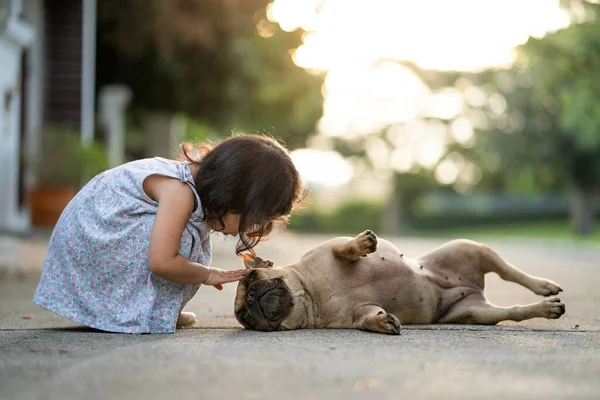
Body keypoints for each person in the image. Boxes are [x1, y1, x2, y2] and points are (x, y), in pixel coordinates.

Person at [34, 134, 306, 333]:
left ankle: (152, 310)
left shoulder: (191, 188)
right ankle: (132, 312)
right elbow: (161, 262)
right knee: (182, 249)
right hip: (96, 238)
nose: (248, 229)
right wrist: (209, 274)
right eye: (254, 218)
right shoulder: (180, 191)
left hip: (98, 239)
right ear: (235, 192)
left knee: (191, 244)